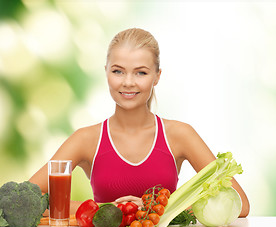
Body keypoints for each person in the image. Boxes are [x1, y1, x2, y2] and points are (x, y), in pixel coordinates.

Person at [29, 28, 250, 217]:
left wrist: (158, 209)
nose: (128, 82)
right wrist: (106, 209)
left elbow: (240, 204)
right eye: (118, 71)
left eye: (141, 73)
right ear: (106, 72)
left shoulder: (180, 134)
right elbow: (28, 198)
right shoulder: (86, 139)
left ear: (157, 76)